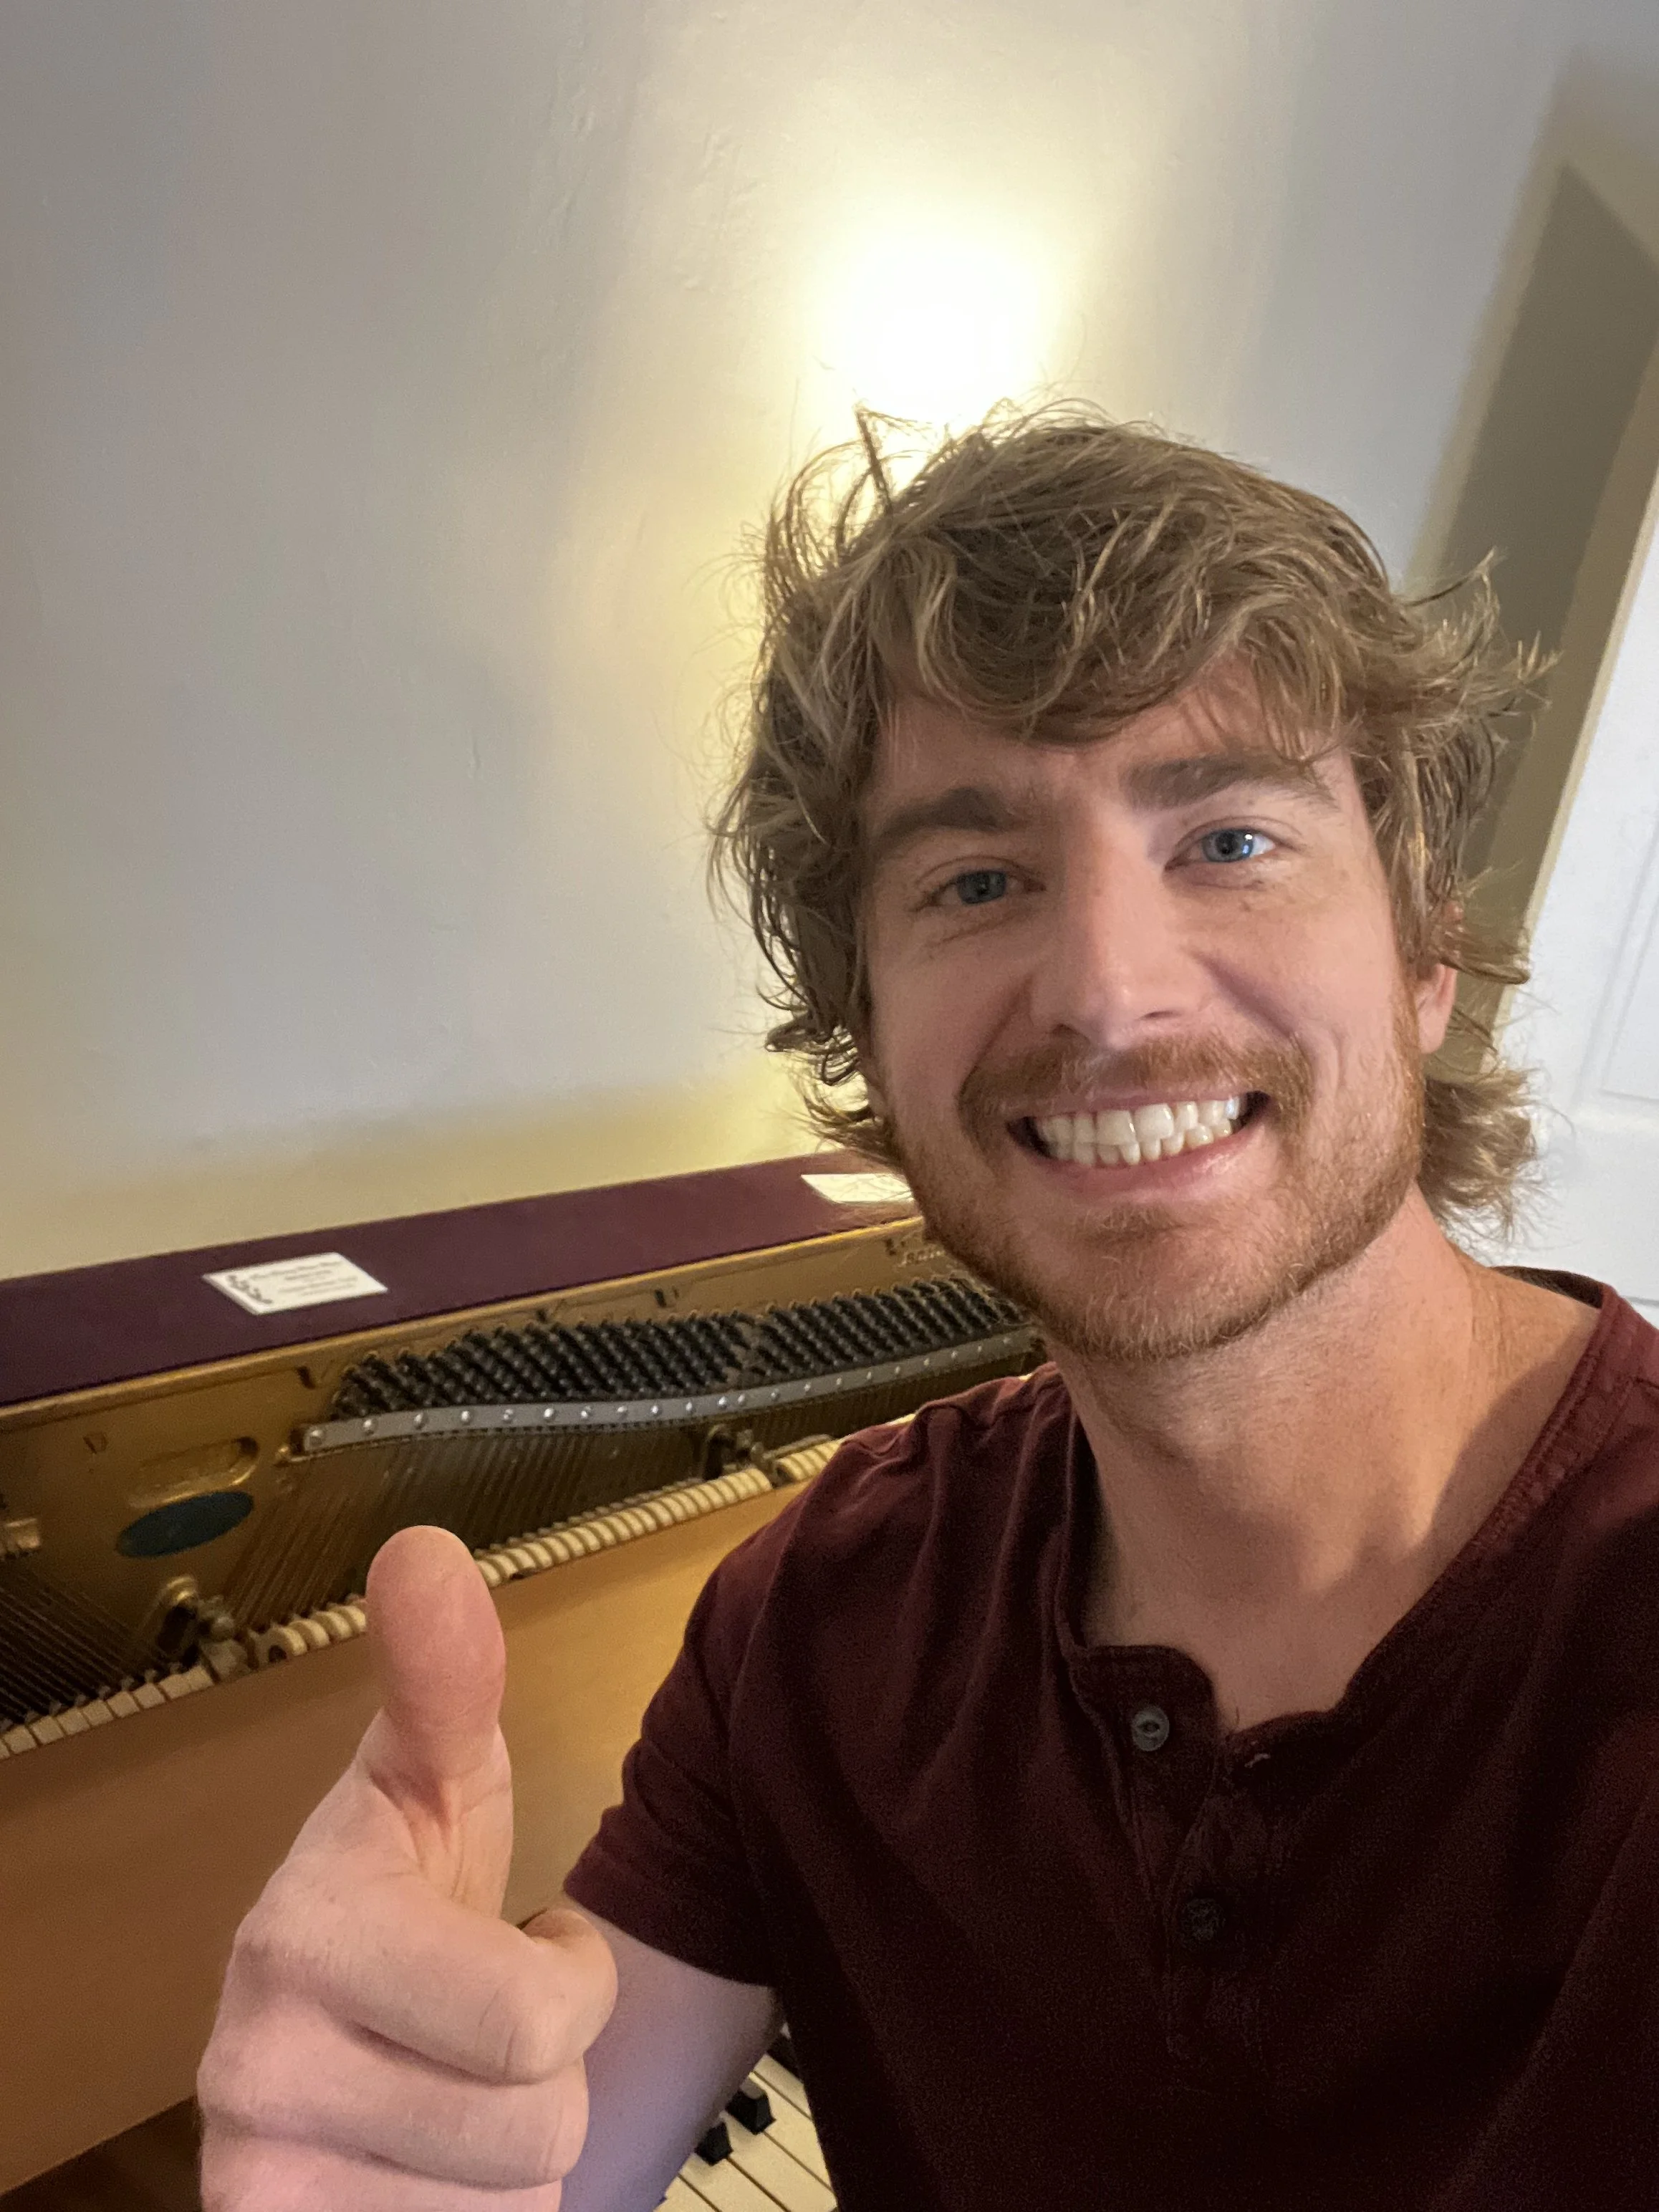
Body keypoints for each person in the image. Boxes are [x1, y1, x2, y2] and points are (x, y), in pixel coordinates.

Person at [197, 408, 1659, 2211]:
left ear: (1426, 953)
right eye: (977, 879)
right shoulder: (815, 1624)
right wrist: (385, 2141)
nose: (1110, 992)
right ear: (869, 1043)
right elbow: (540, 2152)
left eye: (1230, 839)